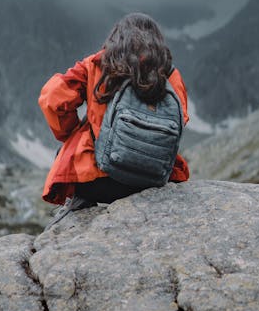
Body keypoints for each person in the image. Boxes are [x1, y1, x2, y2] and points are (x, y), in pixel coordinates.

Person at [38, 12, 189, 219]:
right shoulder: (170, 74)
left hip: (98, 183)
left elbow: (53, 97)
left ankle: (79, 206)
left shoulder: (97, 64)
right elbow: (181, 120)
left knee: (66, 151)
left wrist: (70, 132)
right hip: (155, 180)